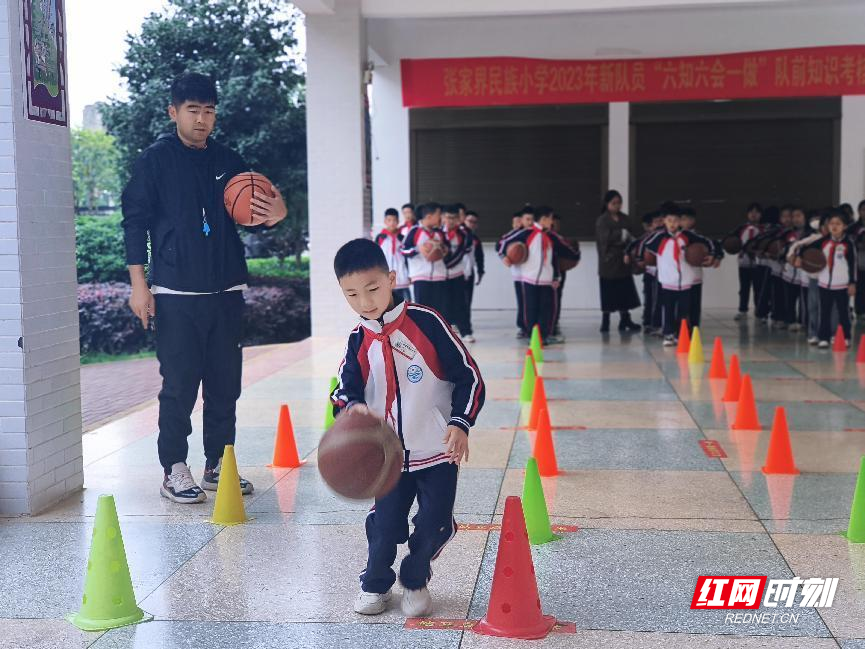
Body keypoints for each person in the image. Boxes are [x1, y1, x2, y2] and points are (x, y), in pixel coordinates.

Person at [122, 72, 288, 503]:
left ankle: (219, 463)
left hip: (226, 289)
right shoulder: (154, 162)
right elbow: (134, 223)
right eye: (193, 110)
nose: (202, 119)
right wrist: (140, 286)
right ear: (173, 111)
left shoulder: (230, 161)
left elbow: (261, 210)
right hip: (176, 293)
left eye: (209, 111)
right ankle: (174, 467)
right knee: (178, 384)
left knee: (225, 383)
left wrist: (278, 210)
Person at [330, 238, 485, 617]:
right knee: (384, 527)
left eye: (372, 288)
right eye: (352, 295)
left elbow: (470, 377)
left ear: (391, 278)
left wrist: (460, 423)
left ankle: (415, 578)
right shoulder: (357, 340)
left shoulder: (426, 322)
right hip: (389, 460)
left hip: (437, 452)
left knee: (435, 525)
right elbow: (344, 393)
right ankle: (375, 584)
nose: (365, 302)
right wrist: (352, 417)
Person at [643, 203, 716, 346]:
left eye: (676, 221)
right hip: (667, 281)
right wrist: (640, 259)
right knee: (668, 309)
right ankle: (669, 334)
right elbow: (644, 247)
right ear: (664, 221)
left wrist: (713, 254)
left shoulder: (688, 236)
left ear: (680, 222)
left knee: (684, 311)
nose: (672, 224)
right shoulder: (658, 238)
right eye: (669, 221)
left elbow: (708, 242)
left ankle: (682, 334)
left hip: (686, 281)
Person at [504, 206, 579, 344]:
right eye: (550, 219)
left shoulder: (552, 236)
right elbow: (504, 243)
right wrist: (505, 256)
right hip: (529, 279)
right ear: (544, 219)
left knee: (547, 309)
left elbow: (565, 249)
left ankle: (545, 335)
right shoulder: (526, 233)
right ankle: (531, 336)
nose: (552, 222)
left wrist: (575, 255)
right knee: (530, 309)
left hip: (547, 280)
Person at [800, 209, 856, 348]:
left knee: (843, 313)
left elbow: (852, 265)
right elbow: (806, 250)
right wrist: (800, 257)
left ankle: (845, 337)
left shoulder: (848, 244)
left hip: (842, 285)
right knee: (824, 311)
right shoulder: (823, 241)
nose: (834, 226)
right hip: (824, 284)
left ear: (844, 226)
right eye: (831, 224)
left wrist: (852, 283)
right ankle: (823, 337)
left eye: (838, 224)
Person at [595, 190, 641, 333]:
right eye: (613, 203)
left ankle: (625, 319)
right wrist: (620, 234)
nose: (617, 206)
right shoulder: (602, 220)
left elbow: (632, 237)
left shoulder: (625, 219)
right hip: (609, 261)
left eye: (619, 203)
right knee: (608, 290)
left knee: (624, 290)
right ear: (607, 204)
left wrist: (629, 250)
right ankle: (606, 320)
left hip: (623, 259)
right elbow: (603, 240)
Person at [402, 203, 449, 314]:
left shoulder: (440, 233)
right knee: (423, 311)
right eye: (438, 215)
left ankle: (437, 331)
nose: (441, 218)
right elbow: (403, 250)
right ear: (429, 216)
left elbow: (447, 250)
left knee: (439, 311)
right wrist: (419, 249)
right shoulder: (414, 231)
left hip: (439, 276)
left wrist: (443, 249)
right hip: (420, 277)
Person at [497, 208, 531, 338]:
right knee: (522, 302)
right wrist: (503, 256)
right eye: (527, 219)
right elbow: (500, 244)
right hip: (519, 275)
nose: (530, 222)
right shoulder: (516, 234)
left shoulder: (536, 234)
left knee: (532, 303)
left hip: (533, 275)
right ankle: (523, 326)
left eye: (532, 220)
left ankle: (534, 327)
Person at [730, 202, 763, 321]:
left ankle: (760, 312)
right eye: (751, 212)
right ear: (747, 214)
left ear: (760, 214)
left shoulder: (763, 229)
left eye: (756, 212)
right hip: (743, 263)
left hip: (758, 264)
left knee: (758, 288)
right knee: (744, 288)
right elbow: (731, 240)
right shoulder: (741, 228)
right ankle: (742, 310)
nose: (754, 214)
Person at [442, 205, 470, 338]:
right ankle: (446, 332)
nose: (450, 221)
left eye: (453, 218)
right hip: (440, 277)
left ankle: (466, 332)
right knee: (444, 305)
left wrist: (446, 264)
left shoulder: (463, 234)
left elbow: (460, 254)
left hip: (456, 274)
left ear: (458, 219)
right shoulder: (438, 232)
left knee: (460, 305)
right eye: (448, 217)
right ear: (443, 218)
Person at [376, 208, 411, 303]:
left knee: (407, 308)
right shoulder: (380, 238)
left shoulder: (402, 238)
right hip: (386, 280)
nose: (392, 223)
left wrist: (410, 274)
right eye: (389, 220)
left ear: (398, 221)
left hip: (403, 279)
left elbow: (408, 257)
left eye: (394, 220)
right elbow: (376, 258)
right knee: (387, 308)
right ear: (385, 221)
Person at [462, 210, 484, 342]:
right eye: (469, 221)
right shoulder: (457, 235)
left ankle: (467, 329)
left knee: (467, 303)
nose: (471, 224)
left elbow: (479, 257)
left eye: (474, 222)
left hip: (469, 275)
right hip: (455, 275)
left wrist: (480, 272)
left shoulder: (475, 240)